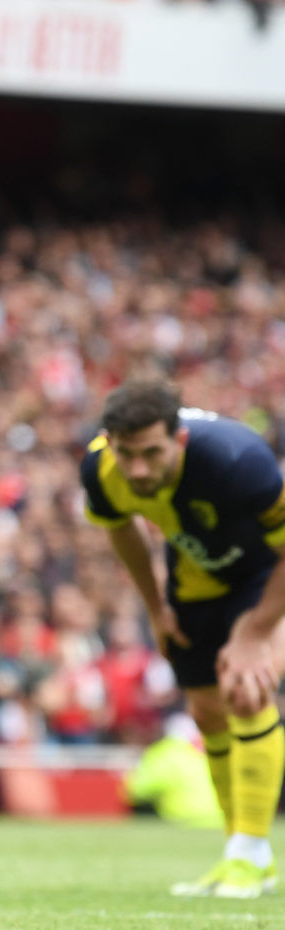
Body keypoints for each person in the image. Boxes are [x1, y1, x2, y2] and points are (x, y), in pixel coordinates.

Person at [81, 380, 285, 898]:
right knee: (206, 711)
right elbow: (121, 528)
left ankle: (251, 853)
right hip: (195, 576)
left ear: (180, 439)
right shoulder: (101, 468)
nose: (139, 469)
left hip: (265, 578)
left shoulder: (238, 461)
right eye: (127, 454)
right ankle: (241, 855)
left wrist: (256, 630)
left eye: (152, 453)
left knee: (246, 687)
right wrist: (156, 608)